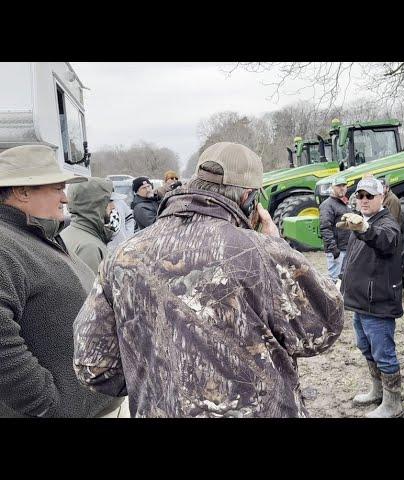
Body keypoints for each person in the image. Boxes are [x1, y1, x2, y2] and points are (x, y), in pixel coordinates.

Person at [72, 142, 344, 418]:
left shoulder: (122, 255)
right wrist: (279, 249)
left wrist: (154, 381)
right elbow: (324, 327)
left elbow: (93, 365)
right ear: (248, 197)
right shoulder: (261, 251)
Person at [0, 145, 120, 417]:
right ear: (22, 191)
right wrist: (49, 405)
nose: (65, 198)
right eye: (56, 188)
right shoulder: (5, 244)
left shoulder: (39, 236)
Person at [338, 177, 403, 418]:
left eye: (369, 196)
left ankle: (393, 403)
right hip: (360, 301)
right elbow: (352, 258)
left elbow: (385, 241)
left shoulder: (386, 223)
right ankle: (377, 391)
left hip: (378, 302)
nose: (363, 200)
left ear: (382, 197)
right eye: (360, 196)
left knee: (384, 353)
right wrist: (341, 281)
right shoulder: (361, 221)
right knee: (365, 347)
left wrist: (364, 229)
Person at [60, 178, 120, 275]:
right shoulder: (89, 247)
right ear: (95, 205)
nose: (113, 207)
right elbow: (91, 289)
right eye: (109, 201)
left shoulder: (69, 233)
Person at [319, 175, 350, 282]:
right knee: (335, 281)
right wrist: (333, 249)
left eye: (344, 185)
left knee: (345, 280)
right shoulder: (327, 205)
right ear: (333, 187)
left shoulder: (346, 204)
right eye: (338, 186)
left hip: (346, 248)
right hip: (337, 250)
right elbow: (325, 228)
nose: (342, 188)